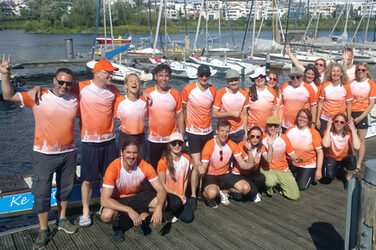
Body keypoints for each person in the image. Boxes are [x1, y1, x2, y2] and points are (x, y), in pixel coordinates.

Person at [1, 56, 79, 249]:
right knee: (42, 193)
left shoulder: (74, 99)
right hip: (44, 154)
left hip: (69, 152)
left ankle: (61, 221)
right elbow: (8, 96)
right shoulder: (38, 96)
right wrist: (5, 74)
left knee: (65, 189)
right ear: (54, 80)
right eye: (61, 82)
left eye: (68, 83)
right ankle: (43, 230)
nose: (64, 86)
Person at [71, 60, 120, 227]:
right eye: (109, 72)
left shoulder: (114, 91)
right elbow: (58, 91)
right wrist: (36, 89)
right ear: (98, 73)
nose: (111, 75)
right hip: (89, 142)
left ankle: (103, 207)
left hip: (109, 141)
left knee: (108, 178)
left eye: (112, 72)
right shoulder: (80, 87)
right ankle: (85, 212)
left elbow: (129, 100)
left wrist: (143, 93)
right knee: (88, 180)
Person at [100, 139, 167, 242]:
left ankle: (143, 216)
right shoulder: (113, 168)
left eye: (134, 153)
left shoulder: (144, 165)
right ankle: (117, 226)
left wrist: (158, 208)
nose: (131, 156)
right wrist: (128, 210)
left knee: (164, 203)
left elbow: (161, 190)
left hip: (137, 195)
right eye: (128, 152)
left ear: (138, 153)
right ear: (122, 152)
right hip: (118, 198)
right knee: (106, 216)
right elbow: (104, 200)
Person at [198, 120, 256, 208]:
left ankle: (224, 191)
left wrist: (249, 150)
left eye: (227, 131)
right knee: (212, 194)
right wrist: (200, 169)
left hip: (226, 175)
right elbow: (203, 170)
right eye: (222, 131)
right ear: (217, 131)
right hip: (211, 176)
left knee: (246, 188)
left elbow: (244, 165)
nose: (224, 134)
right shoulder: (209, 145)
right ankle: (208, 195)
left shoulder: (232, 145)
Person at [181, 65, 216, 209]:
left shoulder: (213, 90)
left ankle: (203, 190)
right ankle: (194, 195)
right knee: (197, 166)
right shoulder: (188, 89)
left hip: (207, 132)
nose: (204, 78)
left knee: (206, 165)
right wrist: (183, 131)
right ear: (197, 75)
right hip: (193, 133)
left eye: (206, 75)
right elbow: (182, 110)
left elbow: (215, 109)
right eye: (201, 75)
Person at [145, 64, 184, 169]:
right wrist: (141, 92)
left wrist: (181, 136)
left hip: (171, 139)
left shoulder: (175, 94)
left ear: (170, 78)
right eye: (161, 75)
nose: (164, 78)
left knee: (170, 167)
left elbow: (180, 115)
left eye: (166, 76)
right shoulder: (148, 93)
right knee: (154, 167)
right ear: (155, 77)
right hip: (153, 139)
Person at [260, 116, 301, 200]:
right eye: (270, 125)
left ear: (279, 127)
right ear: (266, 126)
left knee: (294, 196)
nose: (272, 128)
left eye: (275, 125)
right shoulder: (262, 138)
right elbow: (267, 159)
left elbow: (292, 154)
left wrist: (300, 160)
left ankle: (281, 185)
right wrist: (270, 145)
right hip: (268, 168)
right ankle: (269, 189)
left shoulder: (284, 138)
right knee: (270, 182)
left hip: (283, 169)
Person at [157, 133, 194, 223]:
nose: (177, 146)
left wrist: (183, 194)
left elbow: (185, 179)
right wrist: (177, 195)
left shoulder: (187, 158)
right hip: (169, 194)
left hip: (180, 194)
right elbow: (161, 184)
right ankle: (167, 211)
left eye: (179, 143)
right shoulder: (163, 161)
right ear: (169, 145)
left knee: (188, 218)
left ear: (183, 144)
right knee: (177, 202)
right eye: (174, 143)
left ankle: (175, 210)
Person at [285, 109, 323, 190]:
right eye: (300, 116)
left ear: (308, 120)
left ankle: (311, 174)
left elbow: (320, 152)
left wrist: (319, 170)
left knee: (301, 187)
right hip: (292, 163)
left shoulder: (313, 133)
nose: (302, 119)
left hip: (308, 164)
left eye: (305, 118)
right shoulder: (290, 130)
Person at [349, 63, 376, 173]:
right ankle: (350, 162)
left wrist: (360, 117)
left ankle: (358, 164)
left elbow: (371, 104)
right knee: (349, 139)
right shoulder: (351, 83)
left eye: (363, 70)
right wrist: (349, 115)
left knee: (361, 140)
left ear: (367, 71)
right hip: (351, 113)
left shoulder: (371, 84)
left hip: (363, 114)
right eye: (358, 69)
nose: (360, 71)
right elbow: (348, 101)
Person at [114, 73, 147, 159]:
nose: (134, 83)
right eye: (131, 81)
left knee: (141, 164)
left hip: (141, 138)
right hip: (125, 137)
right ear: (126, 85)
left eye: (136, 81)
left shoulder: (145, 100)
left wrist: (144, 93)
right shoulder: (119, 102)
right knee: (124, 164)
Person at [321, 113, 360, 184]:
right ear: (333, 122)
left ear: (345, 124)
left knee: (352, 158)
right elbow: (325, 145)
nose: (339, 124)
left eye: (342, 122)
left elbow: (357, 147)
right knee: (329, 176)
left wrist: (353, 130)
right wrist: (328, 127)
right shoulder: (329, 132)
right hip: (332, 157)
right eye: (336, 121)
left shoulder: (348, 134)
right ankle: (337, 168)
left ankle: (348, 178)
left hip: (345, 157)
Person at [213, 69, 249, 143]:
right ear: (227, 81)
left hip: (239, 130)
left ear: (239, 80)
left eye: (236, 80)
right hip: (225, 131)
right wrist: (231, 113)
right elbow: (214, 114)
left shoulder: (244, 94)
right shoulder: (221, 92)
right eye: (231, 81)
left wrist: (246, 133)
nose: (234, 82)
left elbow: (245, 116)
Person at [317, 63, 352, 136]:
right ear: (330, 73)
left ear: (341, 73)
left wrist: (348, 119)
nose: (335, 73)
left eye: (337, 71)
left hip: (339, 120)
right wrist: (317, 119)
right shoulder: (325, 85)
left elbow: (349, 104)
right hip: (325, 118)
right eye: (333, 71)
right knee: (324, 140)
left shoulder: (346, 87)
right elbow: (321, 102)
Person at [232, 126, 266, 202]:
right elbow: (248, 164)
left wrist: (270, 146)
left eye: (258, 137)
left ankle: (252, 191)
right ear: (249, 136)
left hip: (251, 173)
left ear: (260, 138)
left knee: (261, 178)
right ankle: (252, 191)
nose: (255, 139)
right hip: (239, 174)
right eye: (252, 136)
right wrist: (249, 150)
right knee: (238, 197)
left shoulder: (261, 146)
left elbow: (268, 159)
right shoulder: (242, 145)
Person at [279, 67, 317, 131]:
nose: (295, 79)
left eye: (298, 77)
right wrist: (279, 122)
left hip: (302, 123)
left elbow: (313, 106)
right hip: (285, 124)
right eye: (293, 77)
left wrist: (313, 122)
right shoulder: (285, 86)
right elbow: (280, 106)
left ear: (301, 77)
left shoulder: (309, 88)